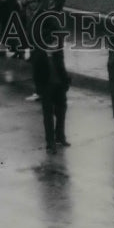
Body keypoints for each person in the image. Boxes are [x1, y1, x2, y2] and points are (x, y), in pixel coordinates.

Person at [30, 11, 70, 153]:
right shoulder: (38, 51)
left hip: (59, 85)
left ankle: (60, 136)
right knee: (48, 115)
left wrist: (66, 81)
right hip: (47, 86)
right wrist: (39, 88)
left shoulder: (57, 48)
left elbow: (62, 65)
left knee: (61, 112)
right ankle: (50, 142)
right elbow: (36, 71)